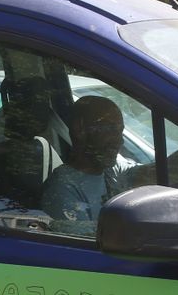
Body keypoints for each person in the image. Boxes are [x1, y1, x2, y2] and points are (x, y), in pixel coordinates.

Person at [39, 95, 137, 235]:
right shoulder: (62, 189)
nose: (119, 141)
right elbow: (84, 248)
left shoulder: (111, 170)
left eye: (120, 131)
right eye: (109, 129)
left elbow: (153, 171)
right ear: (80, 129)